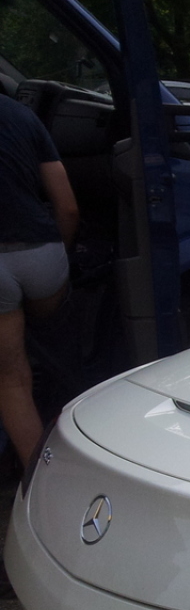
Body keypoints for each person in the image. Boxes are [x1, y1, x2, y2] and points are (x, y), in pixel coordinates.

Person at [0, 93, 79, 469]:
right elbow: (67, 207)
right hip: (42, 255)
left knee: (11, 379)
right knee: (53, 334)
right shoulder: (24, 117)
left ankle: (40, 476)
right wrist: (60, 253)